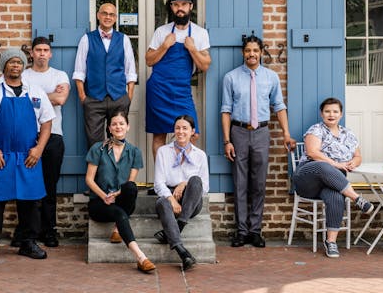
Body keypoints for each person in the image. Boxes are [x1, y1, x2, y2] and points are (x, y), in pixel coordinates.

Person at [0, 47, 53, 262]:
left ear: (23, 66)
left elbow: (47, 121)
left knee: (30, 201)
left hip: (28, 156)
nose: (15, 65)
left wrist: (39, 149)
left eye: (19, 62)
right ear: (3, 65)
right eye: (11, 62)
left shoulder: (34, 91)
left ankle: (28, 243)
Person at [220, 35, 296, 248]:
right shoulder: (231, 78)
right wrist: (227, 140)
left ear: (261, 52)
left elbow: (279, 106)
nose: (251, 54)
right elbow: (225, 110)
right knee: (240, 182)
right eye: (248, 51)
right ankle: (241, 231)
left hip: (262, 132)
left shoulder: (271, 77)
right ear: (242, 53)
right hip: (239, 131)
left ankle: (255, 230)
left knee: (259, 183)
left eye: (255, 50)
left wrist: (286, 134)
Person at [293, 97, 375, 258]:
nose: (331, 114)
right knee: (323, 165)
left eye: (335, 111)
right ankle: (357, 198)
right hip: (308, 178)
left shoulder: (348, 134)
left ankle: (331, 242)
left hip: (332, 182)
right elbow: (312, 152)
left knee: (336, 196)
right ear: (321, 114)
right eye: (327, 111)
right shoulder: (316, 130)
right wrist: (335, 164)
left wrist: (353, 163)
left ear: (341, 114)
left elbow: (358, 156)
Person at [84, 111, 155, 274]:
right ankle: (141, 257)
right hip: (99, 203)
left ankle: (118, 229)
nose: (118, 127)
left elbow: (129, 182)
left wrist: (115, 195)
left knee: (131, 187)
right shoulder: (98, 149)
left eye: (121, 123)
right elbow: (89, 179)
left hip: (120, 198)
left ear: (128, 127)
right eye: (114, 124)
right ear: (109, 128)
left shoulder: (134, 151)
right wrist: (104, 196)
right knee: (120, 214)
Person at [144, 0, 210, 155]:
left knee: (192, 134)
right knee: (159, 136)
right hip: (159, 89)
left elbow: (205, 65)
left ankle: (180, 176)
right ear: (172, 7)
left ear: (190, 7)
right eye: (176, 5)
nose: (180, 8)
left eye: (183, 5)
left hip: (182, 91)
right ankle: (162, 177)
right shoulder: (161, 31)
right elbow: (149, 60)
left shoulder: (200, 33)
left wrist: (193, 49)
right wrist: (164, 46)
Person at [22, 35, 71, 247]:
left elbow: (61, 99)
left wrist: (34, 96)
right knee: (28, 186)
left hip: (53, 136)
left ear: (50, 54)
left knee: (50, 187)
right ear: (31, 53)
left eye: (45, 50)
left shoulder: (59, 75)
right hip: (27, 136)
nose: (42, 53)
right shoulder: (23, 75)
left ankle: (49, 230)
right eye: (38, 50)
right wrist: (46, 95)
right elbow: (18, 99)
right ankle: (27, 232)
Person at [73, 2, 137, 148]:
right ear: (98, 16)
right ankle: (98, 171)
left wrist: (128, 97)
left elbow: (130, 70)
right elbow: (79, 71)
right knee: (94, 143)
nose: (108, 17)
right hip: (94, 99)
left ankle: (116, 170)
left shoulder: (123, 39)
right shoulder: (87, 39)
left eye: (111, 14)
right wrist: (84, 98)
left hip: (118, 98)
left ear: (115, 18)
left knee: (118, 140)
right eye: (104, 13)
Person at [152, 114, 208, 271]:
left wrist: (184, 183)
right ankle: (182, 252)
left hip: (192, 200)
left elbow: (205, 186)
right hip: (169, 197)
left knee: (196, 180)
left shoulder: (200, 155)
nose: (181, 131)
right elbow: (158, 184)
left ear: (192, 131)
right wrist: (171, 199)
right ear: (173, 130)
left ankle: (180, 223)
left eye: (185, 128)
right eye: (177, 128)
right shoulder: (163, 151)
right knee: (161, 202)